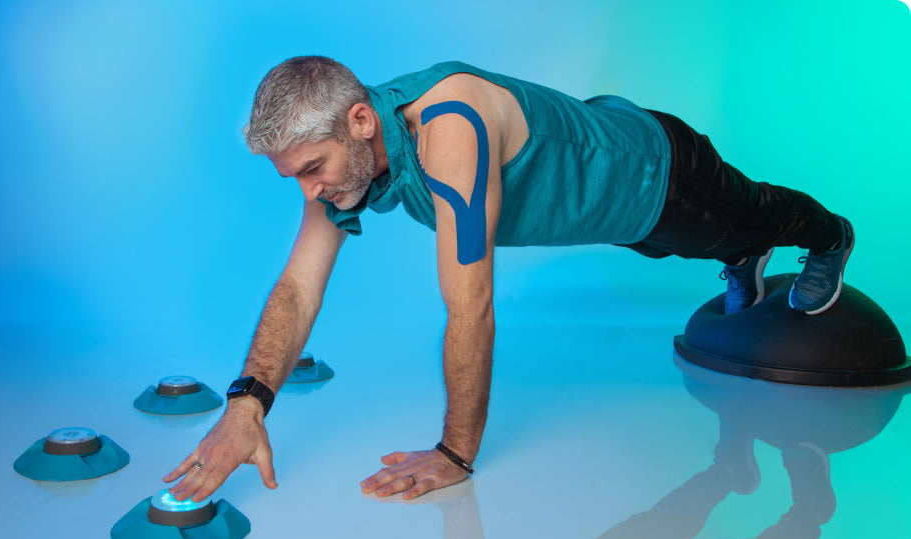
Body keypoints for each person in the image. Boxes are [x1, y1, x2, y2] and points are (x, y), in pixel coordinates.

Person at [163, 56, 855, 503]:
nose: (310, 191)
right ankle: (737, 259)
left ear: (360, 122)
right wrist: (246, 405)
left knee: (750, 216)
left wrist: (454, 454)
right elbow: (297, 287)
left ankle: (830, 236)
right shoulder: (348, 161)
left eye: (312, 168)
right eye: (297, 178)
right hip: (611, 194)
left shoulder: (451, 130)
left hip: (659, 172)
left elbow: (472, 308)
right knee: (674, 249)